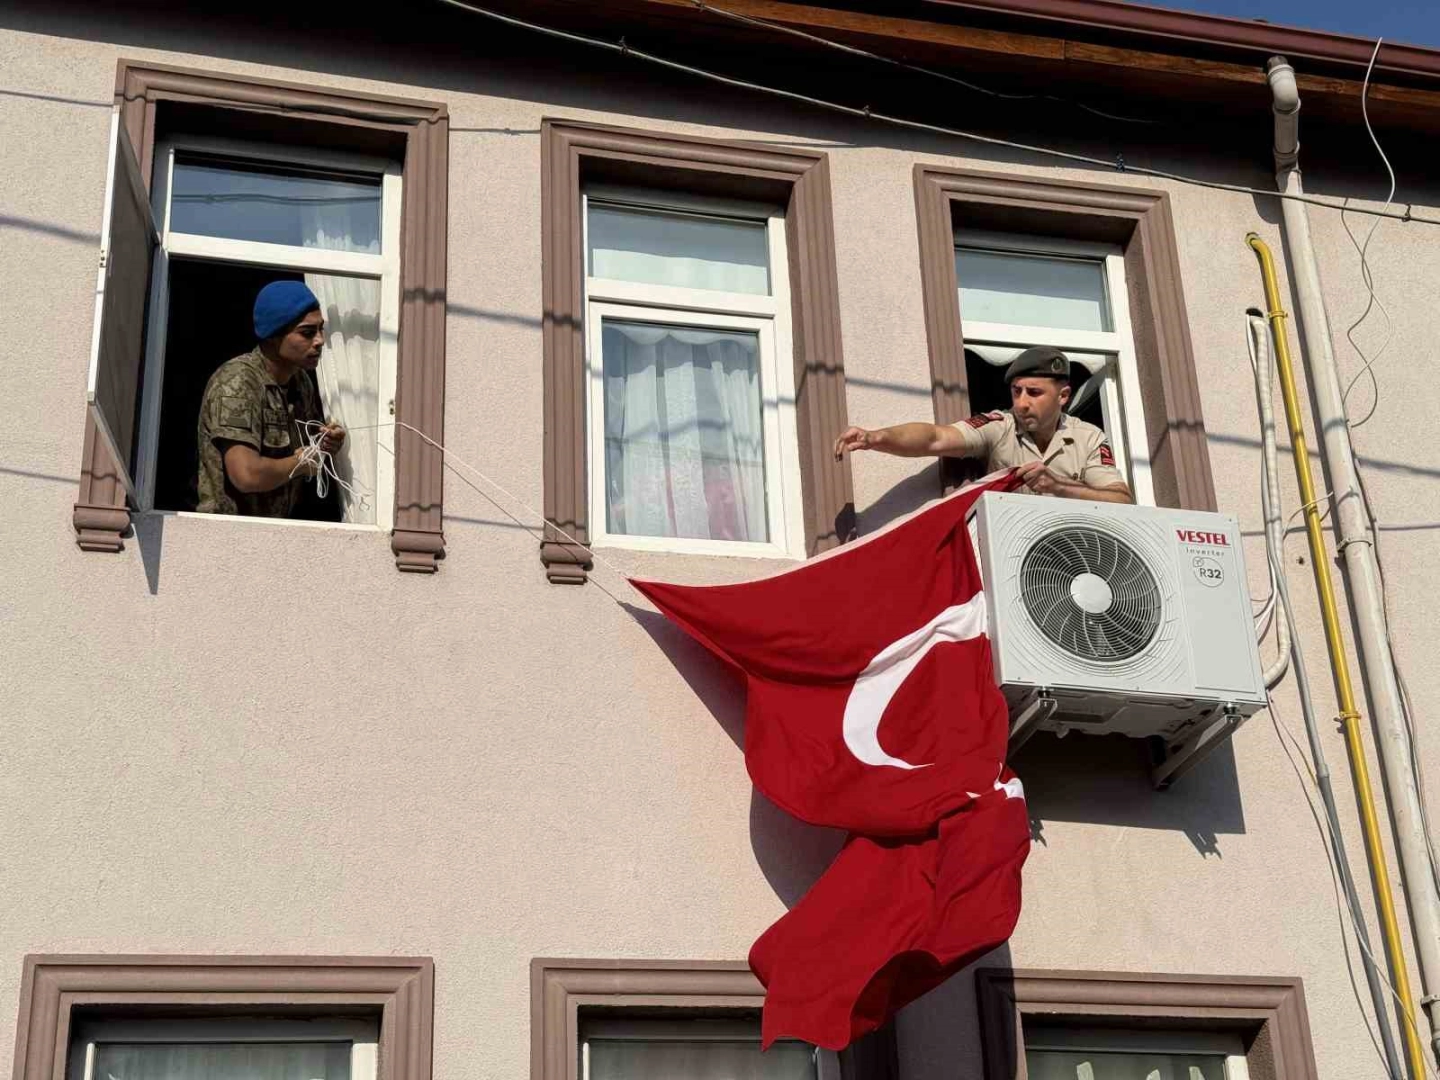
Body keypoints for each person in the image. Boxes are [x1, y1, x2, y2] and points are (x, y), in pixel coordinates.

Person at [832, 345, 1134, 503]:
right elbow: (935, 437)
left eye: (1034, 393)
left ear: (1063, 396)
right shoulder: (1000, 425)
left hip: (1078, 558)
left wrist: (1059, 486)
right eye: (1016, 391)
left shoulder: (1088, 437)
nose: (1021, 402)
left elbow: (1121, 499)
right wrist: (876, 438)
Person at [195, 280, 346, 517]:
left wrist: (327, 442)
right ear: (274, 336)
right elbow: (246, 475)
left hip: (275, 529)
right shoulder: (238, 382)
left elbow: (311, 441)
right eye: (307, 333)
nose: (320, 341)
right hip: (229, 528)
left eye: (320, 329)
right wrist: (301, 463)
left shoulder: (301, 382)